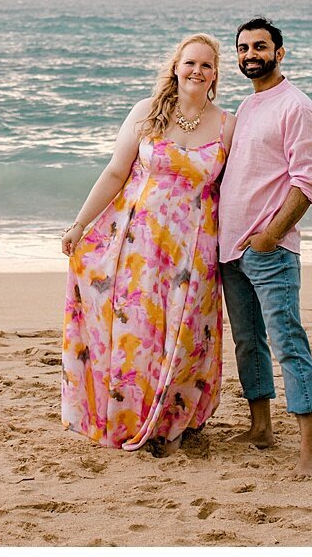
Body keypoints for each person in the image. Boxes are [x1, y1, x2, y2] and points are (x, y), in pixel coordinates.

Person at [60, 33, 234, 455]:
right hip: (138, 244)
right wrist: (80, 225)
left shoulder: (228, 125)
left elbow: (234, 189)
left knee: (186, 331)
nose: (197, 71)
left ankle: (171, 421)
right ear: (176, 67)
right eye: (190, 62)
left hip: (194, 249)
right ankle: (131, 418)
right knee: (138, 330)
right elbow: (115, 173)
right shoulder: (147, 113)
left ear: (215, 75)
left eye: (206, 65)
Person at [218, 16, 312, 478]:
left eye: (259, 47)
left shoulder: (296, 106)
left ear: (280, 53)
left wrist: (269, 236)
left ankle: (309, 449)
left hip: (270, 251)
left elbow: (307, 183)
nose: (250, 55)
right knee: (248, 343)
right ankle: (260, 427)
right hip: (229, 252)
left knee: (288, 343)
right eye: (243, 49)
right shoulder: (245, 107)